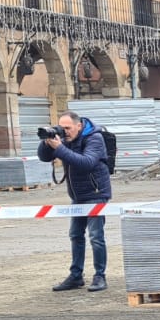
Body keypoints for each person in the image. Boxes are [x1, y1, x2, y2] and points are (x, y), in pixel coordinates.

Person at [38, 110, 111, 292]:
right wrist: (47, 141)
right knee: (75, 235)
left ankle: (100, 276)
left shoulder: (94, 138)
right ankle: (76, 276)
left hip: (96, 193)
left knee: (96, 237)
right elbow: (44, 157)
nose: (65, 131)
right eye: (61, 128)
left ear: (79, 126)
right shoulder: (65, 139)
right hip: (77, 196)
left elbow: (86, 163)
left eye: (67, 128)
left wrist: (60, 148)